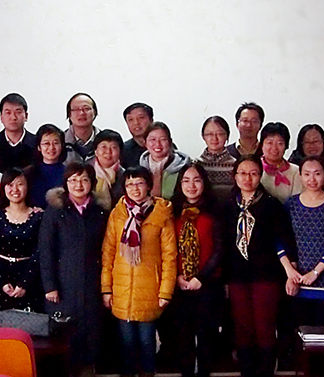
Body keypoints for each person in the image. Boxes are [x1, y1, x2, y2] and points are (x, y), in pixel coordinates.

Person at [225, 155, 299, 377]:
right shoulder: (228, 205)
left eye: (253, 173)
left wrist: (290, 272)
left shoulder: (271, 204)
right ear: (235, 176)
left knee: (264, 325)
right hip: (236, 276)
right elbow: (224, 244)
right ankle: (247, 371)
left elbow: (285, 239)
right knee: (242, 326)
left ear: (260, 176)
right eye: (242, 173)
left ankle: (266, 370)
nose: (247, 178)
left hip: (266, 275)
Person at [101, 166, 177, 377]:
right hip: (121, 290)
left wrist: (165, 292)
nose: (135, 188)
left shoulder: (161, 214)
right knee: (126, 344)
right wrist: (106, 289)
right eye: (130, 184)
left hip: (150, 291)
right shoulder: (117, 214)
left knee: (146, 343)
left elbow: (170, 257)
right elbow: (108, 253)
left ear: (149, 186)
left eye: (140, 183)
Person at [39, 162, 108, 377]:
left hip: (92, 282)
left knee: (92, 332)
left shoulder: (100, 212)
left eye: (84, 179)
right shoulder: (55, 211)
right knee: (66, 337)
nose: (79, 185)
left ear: (92, 183)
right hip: (62, 284)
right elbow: (45, 250)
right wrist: (50, 285)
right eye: (73, 180)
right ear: (65, 183)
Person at [165, 163, 223, 377]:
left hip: (208, 283)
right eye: (186, 181)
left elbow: (220, 249)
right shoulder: (171, 212)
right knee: (182, 337)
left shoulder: (215, 211)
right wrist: (178, 276)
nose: (191, 186)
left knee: (207, 336)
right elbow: (167, 248)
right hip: (179, 284)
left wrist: (201, 278)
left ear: (204, 183)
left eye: (196, 180)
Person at [285, 156, 324, 328]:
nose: (312, 179)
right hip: (298, 280)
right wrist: (290, 273)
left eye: (317, 174)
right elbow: (283, 240)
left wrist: (315, 272)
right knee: (298, 333)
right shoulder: (291, 204)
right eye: (307, 174)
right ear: (300, 176)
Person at [0, 168, 44, 313]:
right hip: (0, 279)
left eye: (20, 184)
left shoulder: (39, 216)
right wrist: (2, 282)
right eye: (10, 185)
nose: (15, 189)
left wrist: (25, 283)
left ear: (27, 186)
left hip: (30, 278)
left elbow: (40, 252)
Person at [0, 93, 39, 173]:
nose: (13, 117)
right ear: (1, 117)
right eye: (8, 113)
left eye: (18, 112)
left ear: (26, 116)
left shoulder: (38, 143)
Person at [139, 122, 191, 199]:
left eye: (163, 139)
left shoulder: (184, 168)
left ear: (170, 142)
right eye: (153, 139)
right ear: (145, 142)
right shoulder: (139, 168)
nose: (158, 144)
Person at [197, 116, 237, 204]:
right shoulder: (196, 165)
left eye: (220, 134)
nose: (214, 138)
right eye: (209, 134)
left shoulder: (236, 165)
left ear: (227, 136)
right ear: (203, 136)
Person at [259, 122, 302, 203]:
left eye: (280, 143)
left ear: (286, 146)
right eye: (270, 143)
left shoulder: (296, 171)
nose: (274, 148)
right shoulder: (253, 168)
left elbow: (296, 202)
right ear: (262, 145)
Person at [28, 124, 66, 208]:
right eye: (46, 143)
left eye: (56, 143)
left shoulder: (69, 173)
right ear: (39, 147)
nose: (51, 147)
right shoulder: (28, 173)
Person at [90, 129, 125, 211]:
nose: (108, 152)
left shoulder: (125, 176)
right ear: (96, 151)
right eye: (104, 147)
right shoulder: (85, 172)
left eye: (113, 147)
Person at [65, 92, 101, 164]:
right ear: (69, 114)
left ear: (94, 112)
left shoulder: (107, 141)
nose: (81, 113)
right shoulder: (60, 142)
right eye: (76, 109)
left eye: (86, 108)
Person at [121, 102, 154, 168]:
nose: (136, 123)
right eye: (131, 119)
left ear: (151, 120)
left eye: (141, 117)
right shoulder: (122, 151)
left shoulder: (163, 146)